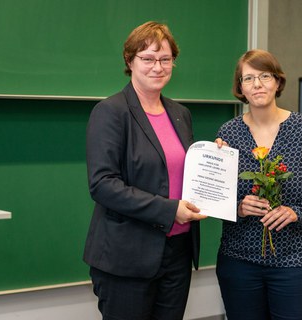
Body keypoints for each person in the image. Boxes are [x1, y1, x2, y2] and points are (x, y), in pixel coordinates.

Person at [83, 21, 207, 320]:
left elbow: (181, 173)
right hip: (127, 257)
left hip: (177, 252)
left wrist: (213, 161)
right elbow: (102, 184)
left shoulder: (180, 114)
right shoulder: (110, 112)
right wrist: (168, 211)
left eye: (165, 59)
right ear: (130, 61)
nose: (158, 67)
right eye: (148, 58)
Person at [215, 49, 302, 320]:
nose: (257, 84)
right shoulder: (227, 134)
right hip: (239, 261)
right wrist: (238, 207)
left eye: (265, 76)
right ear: (240, 88)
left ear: (278, 82)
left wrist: (297, 212)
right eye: (248, 79)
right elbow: (215, 197)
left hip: (295, 261)